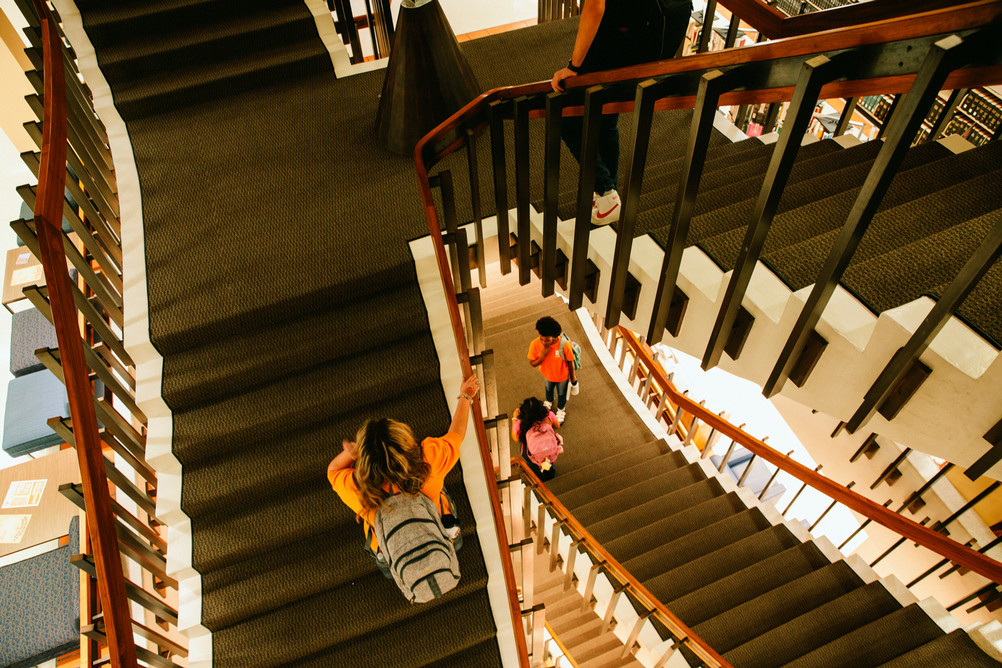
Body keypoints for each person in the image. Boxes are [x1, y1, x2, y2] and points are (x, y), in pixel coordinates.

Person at [551, 0, 691, 226]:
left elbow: (595, 6)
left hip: (628, 30)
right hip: (659, 28)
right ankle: (608, 196)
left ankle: (606, 192)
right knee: (606, 114)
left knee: (568, 117)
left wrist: (574, 67)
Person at [327, 374, 479, 574]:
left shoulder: (359, 487)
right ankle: (452, 544)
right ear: (405, 441)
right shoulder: (429, 460)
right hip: (438, 525)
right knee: (446, 517)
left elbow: (333, 470)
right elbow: (456, 434)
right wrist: (465, 397)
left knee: (389, 558)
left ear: (364, 459)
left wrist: (350, 453)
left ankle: (396, 570)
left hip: (391, 547)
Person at [528, 316, 577, 423]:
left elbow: (570, 362)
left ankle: (561, 409)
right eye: (541, 338)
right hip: (547, 375)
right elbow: (532, 363)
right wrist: (542, 356)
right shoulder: (535, 344)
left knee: (561, 394)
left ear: (555, 337)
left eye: (547, 340)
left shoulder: (564, 345)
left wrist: (573, 379)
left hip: (562, 377)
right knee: (548, 390)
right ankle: (549, 401)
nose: (543, 342)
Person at [512, 397, 564, 482]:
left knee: (533, 464)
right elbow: (557, 426)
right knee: (549, 461)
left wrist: (514, 418)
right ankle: (550, 475)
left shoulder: (521, 423)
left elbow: (516, 438)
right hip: (549, 446)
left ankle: (538, 479)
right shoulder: (548, 415)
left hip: (530, 450)